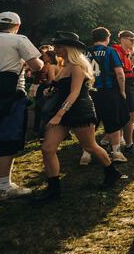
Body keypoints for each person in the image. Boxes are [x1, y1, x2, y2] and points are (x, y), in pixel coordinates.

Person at [36, 32, 126, 202]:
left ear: (69, 48)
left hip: (79, 110)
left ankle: (111, 172)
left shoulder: (77, 66)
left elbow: (75, 93)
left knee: (89, 146)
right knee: (47, 148)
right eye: (55, 46)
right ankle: (54, 189)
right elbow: (61, 88)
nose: (56, 50)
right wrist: (50, 90)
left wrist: (59, 114)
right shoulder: (63, 65)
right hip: (62, 110)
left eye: (59, 46)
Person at [0, 12, 43, 200]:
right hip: (9, 95)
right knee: (7, 138)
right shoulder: (19, 39)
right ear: (17, 26)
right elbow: (36, 66)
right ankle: (3, 187)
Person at [87, 27, 127, 164]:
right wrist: (122, 91)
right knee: (113, 121)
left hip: (90, 91)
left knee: (91, 123)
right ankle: (116, 152)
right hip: (108, 91)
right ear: (107, 37)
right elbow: (120, 74)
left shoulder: (85, 52)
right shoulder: (110, 51)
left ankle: (86, 153)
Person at [111, 30, 134, 157]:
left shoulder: (125, 53)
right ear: (123, 39)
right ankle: (127, 145)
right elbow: (119, 74)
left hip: (127, 88)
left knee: (129, 115)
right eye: (132, 40)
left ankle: (122, 143)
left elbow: (126, 72)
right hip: (120, 88)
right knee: (129, 115)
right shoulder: (116, 52)